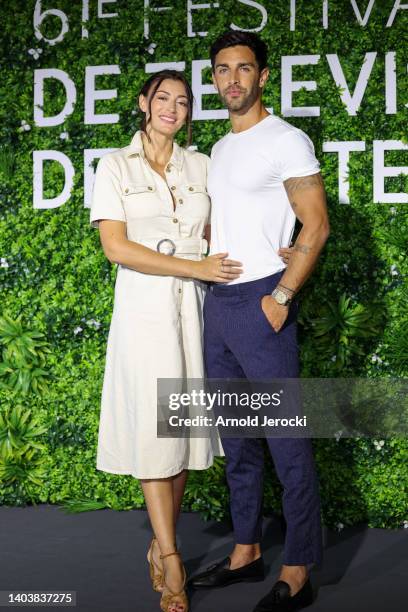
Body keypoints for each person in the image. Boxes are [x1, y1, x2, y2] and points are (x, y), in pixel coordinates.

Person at [89, 69, 245, 612]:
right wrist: (191, 265)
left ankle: (161, 542)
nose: (172, 109)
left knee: (178, 431)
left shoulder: (202, 165)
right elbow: (117, 248)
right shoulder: (114, 166)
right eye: (163, 98)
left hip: (195, 310)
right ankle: (174, 558)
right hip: (143, 311)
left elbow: (228, 228)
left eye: (182, 101)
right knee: (157, 436)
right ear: (143, 103)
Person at [188, 31, 330, 612]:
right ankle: (246, 552)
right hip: (218, 306)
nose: (233, 79)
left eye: (244, 69)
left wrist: (283, 294)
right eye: (223, 70)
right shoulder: (220, 148)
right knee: (238, 441)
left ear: (263, 76)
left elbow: (315, 225)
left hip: (260, 304)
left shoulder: (285, 139)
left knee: (286, 440)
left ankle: (297, 568)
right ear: (215, 78)